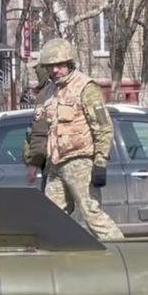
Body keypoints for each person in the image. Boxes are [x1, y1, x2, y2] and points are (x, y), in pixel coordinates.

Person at [34, 37, 123, 240]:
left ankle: (122, 254)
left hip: (80, 161)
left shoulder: (85, 87)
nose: (54, 71)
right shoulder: (49, 92)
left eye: (58, 65)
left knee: (91, 213)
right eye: (50, 67)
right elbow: (47, 130)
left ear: (68, 63)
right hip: (56, 164)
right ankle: (58, 261)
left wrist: (100, 162)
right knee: (50, 217)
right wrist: (44, 166)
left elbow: (102, 126)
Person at [23, 65, 54, 190]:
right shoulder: (52, 91)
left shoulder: (46, 94)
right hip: (59, 161)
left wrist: (34, 162)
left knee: (53, 205)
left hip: (52, 162)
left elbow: (40, 133)